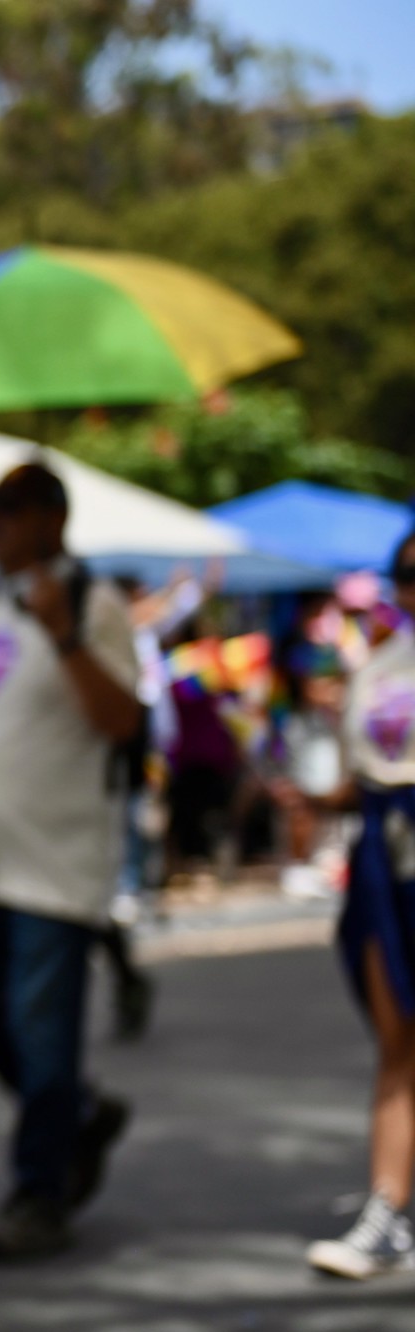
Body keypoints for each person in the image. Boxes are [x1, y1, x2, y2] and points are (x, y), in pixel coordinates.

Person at [0, 461, 141, 1263]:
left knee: (42, 1038)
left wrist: (64, 632)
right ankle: (75, 1117)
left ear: (54, 518)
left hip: (55, 868)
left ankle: (39, 1193)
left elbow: (120, 719)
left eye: (11, 511)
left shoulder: (96, 604)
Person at [307, 530, 415, 1279]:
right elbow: (365, 773)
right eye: (407, 575)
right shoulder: (378, 666)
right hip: (387, 862)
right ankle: (388, 1208)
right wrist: (317, 799)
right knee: (398, 1040)